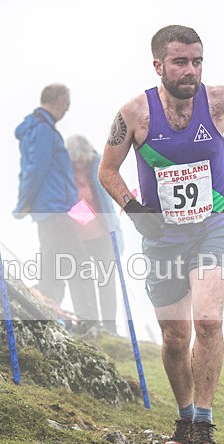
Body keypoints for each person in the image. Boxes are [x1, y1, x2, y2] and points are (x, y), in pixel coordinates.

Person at [98, 25, 224, 444]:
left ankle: (204, 423)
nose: (191, 71)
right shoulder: (134, 114)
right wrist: (134, 210)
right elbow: (106, 170)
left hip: (213, 226)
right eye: (181, 62)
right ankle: (185, 417)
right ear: (159, 65)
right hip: (163, 238)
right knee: (174, 335)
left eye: (197, 61)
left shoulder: (220, 100)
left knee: (208, 321)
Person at [13, 84, 98, 332]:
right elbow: (35, 170)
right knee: (78, 264)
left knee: (53, 266)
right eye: (67, 104)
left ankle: (46, 313)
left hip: (52, 210)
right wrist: (23, 203)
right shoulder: (43, 131)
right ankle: (87, 322)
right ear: (59, 101)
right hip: (53, 210)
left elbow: (44, 172)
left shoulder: (40, 129)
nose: (67, 109)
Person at [66, 134, 122, 335]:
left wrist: (115, 232)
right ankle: (88, 324)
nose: (79, 165)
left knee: (106, 281)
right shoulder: (64, 172)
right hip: (77, 239)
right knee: (82, 282)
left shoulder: (96, 166)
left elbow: (107, 200)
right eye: (75, 161)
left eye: (81, 161)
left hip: (102, 235)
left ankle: (109, 327)